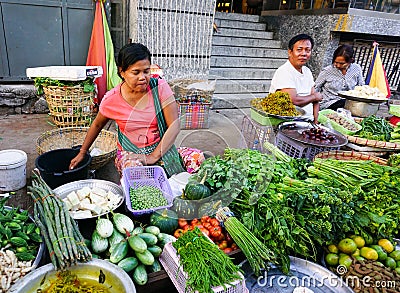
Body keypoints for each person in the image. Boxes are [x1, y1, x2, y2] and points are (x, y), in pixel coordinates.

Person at [69, 43, 185, 176]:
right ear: (122, 72)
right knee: (136, 175)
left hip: (160, 148)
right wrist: (82, 152)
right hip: (131, 153)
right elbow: (97, 124)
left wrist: (152, 157)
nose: (143, 77)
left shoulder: (160, 87)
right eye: (136, 72)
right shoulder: (111, 99)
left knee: (197, 159)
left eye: (146, 71)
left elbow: (174, 125)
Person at [269, 34, 322, 123]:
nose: (304, 54)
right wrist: (314, 97)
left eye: (308, 50)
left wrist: (316, 122)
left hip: (308, 122)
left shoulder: (307, 71)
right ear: (290, 52)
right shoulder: (284, 71)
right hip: (288, 122)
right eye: (299, 50)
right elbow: (293, 100)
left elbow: (316, 101)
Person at [315, 44, 365, 110]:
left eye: (342, 63)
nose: (338, 65)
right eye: (336, 62)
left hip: (349, 103)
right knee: (344, 103)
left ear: (351, 61)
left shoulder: (356, 69)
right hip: (328, 103)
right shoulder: (327, 71)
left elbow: (361, 87)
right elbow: (316, 87)